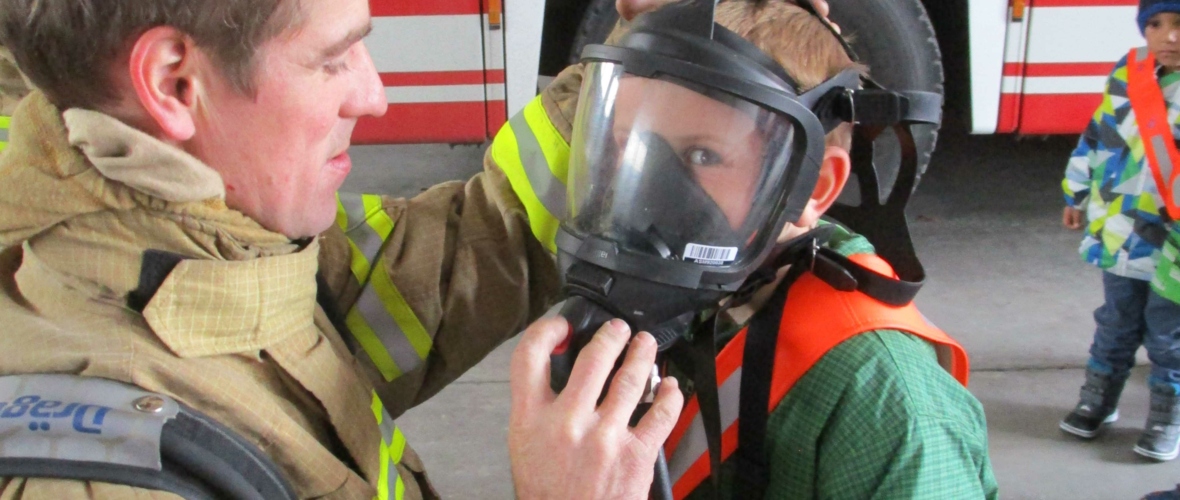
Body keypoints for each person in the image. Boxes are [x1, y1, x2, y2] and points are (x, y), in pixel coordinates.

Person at [0, 0, 691, 497]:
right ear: (175, 83)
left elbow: (468, 254)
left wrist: (654, 42)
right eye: (333, 59)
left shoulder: (208, 241)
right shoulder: (107, 477)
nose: (374, 95)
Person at [500, 1, 998, 498]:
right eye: (629, 145)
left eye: (703, 155)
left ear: (813, 188)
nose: (650, 190)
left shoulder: (886, 404)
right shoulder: (680, 312)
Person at [1059, 0, 1180, 462]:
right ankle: (1099, 399)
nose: (1168, 35)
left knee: (1169, 332)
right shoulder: (1129, 73)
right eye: (1156, 24)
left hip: (1173, 243)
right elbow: (1098, 134)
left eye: (1179, 24)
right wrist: (1076, 191)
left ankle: (1166, 414)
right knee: (1116, 320)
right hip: (1119, 229)